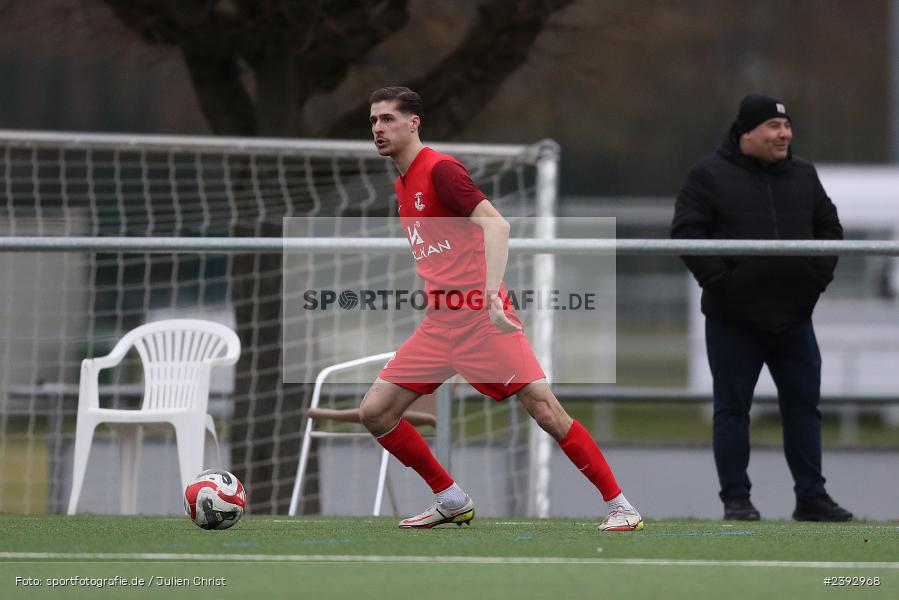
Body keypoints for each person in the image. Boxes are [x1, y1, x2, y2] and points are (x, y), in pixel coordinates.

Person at [359, 86, 643, 531]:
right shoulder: (401, 182)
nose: (378, 128)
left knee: (545, 411)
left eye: (388, 119)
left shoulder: (441, 171)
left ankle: (621, 506)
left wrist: (491, 293)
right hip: (440, 324)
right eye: (374, 120)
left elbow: (497, 224)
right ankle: (450, 498)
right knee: (375, 411)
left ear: (414, 123)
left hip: (479, 318)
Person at [671, 93, 852, 522]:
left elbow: (831, 230)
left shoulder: (804, 176)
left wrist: (814, 284)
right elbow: (686, 234)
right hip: (733, 321)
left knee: (804, 407)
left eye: (787, 126)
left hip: (794, 320)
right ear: (746, 132)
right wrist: (725, 285)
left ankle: (811, 497)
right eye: (773, 126)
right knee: (732, 410)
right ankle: (737, 500)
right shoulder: (707, 176)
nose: (784, 134)